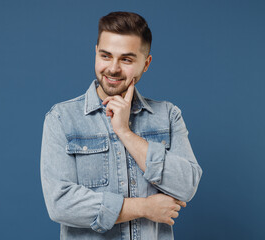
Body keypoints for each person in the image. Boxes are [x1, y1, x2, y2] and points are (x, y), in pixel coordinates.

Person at [40, 11, 202, 240]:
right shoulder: (61, 118)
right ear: (95, 52)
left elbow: (186, 186)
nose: (113, 68)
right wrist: (144, 208)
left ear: (146, 64)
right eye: (106, 56)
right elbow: (61, 203)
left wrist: (124, 132)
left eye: (126, 59)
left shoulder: (168, 115)